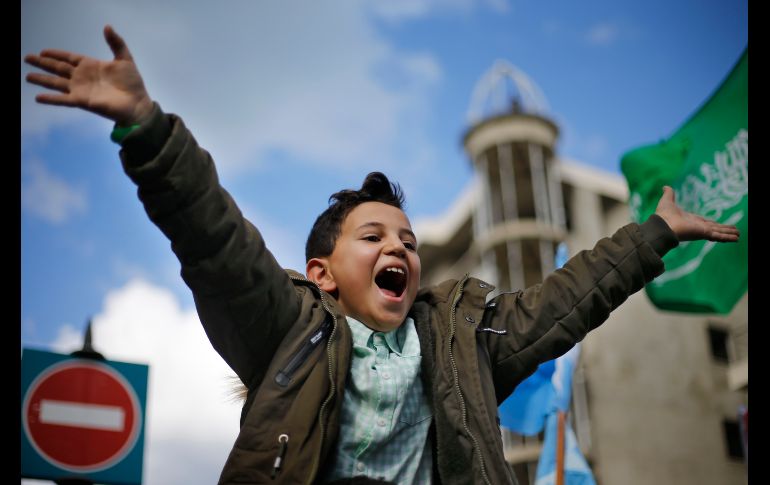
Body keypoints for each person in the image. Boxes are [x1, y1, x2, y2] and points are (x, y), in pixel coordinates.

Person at [25, 26, 740, 485]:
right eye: (372, 237)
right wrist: (149, 131)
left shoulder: (464, 340)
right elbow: (215, 239)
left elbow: (563, 301)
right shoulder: (287, 333)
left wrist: (652, 236)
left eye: (407, 240)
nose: (398, 246)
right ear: (322, 275)